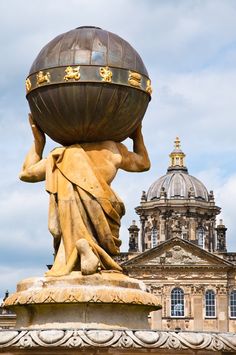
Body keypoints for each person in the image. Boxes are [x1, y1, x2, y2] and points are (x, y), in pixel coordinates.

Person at [20, 114, 150, 276]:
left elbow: (27, 173)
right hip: (103, 205)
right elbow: (143, 163)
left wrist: (38, 142)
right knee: (106, 251)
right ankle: (93, 251)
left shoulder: (61, 155)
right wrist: (137, 135)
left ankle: (81, 250)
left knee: (59, 231)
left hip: (69, 203)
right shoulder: (113, 149)